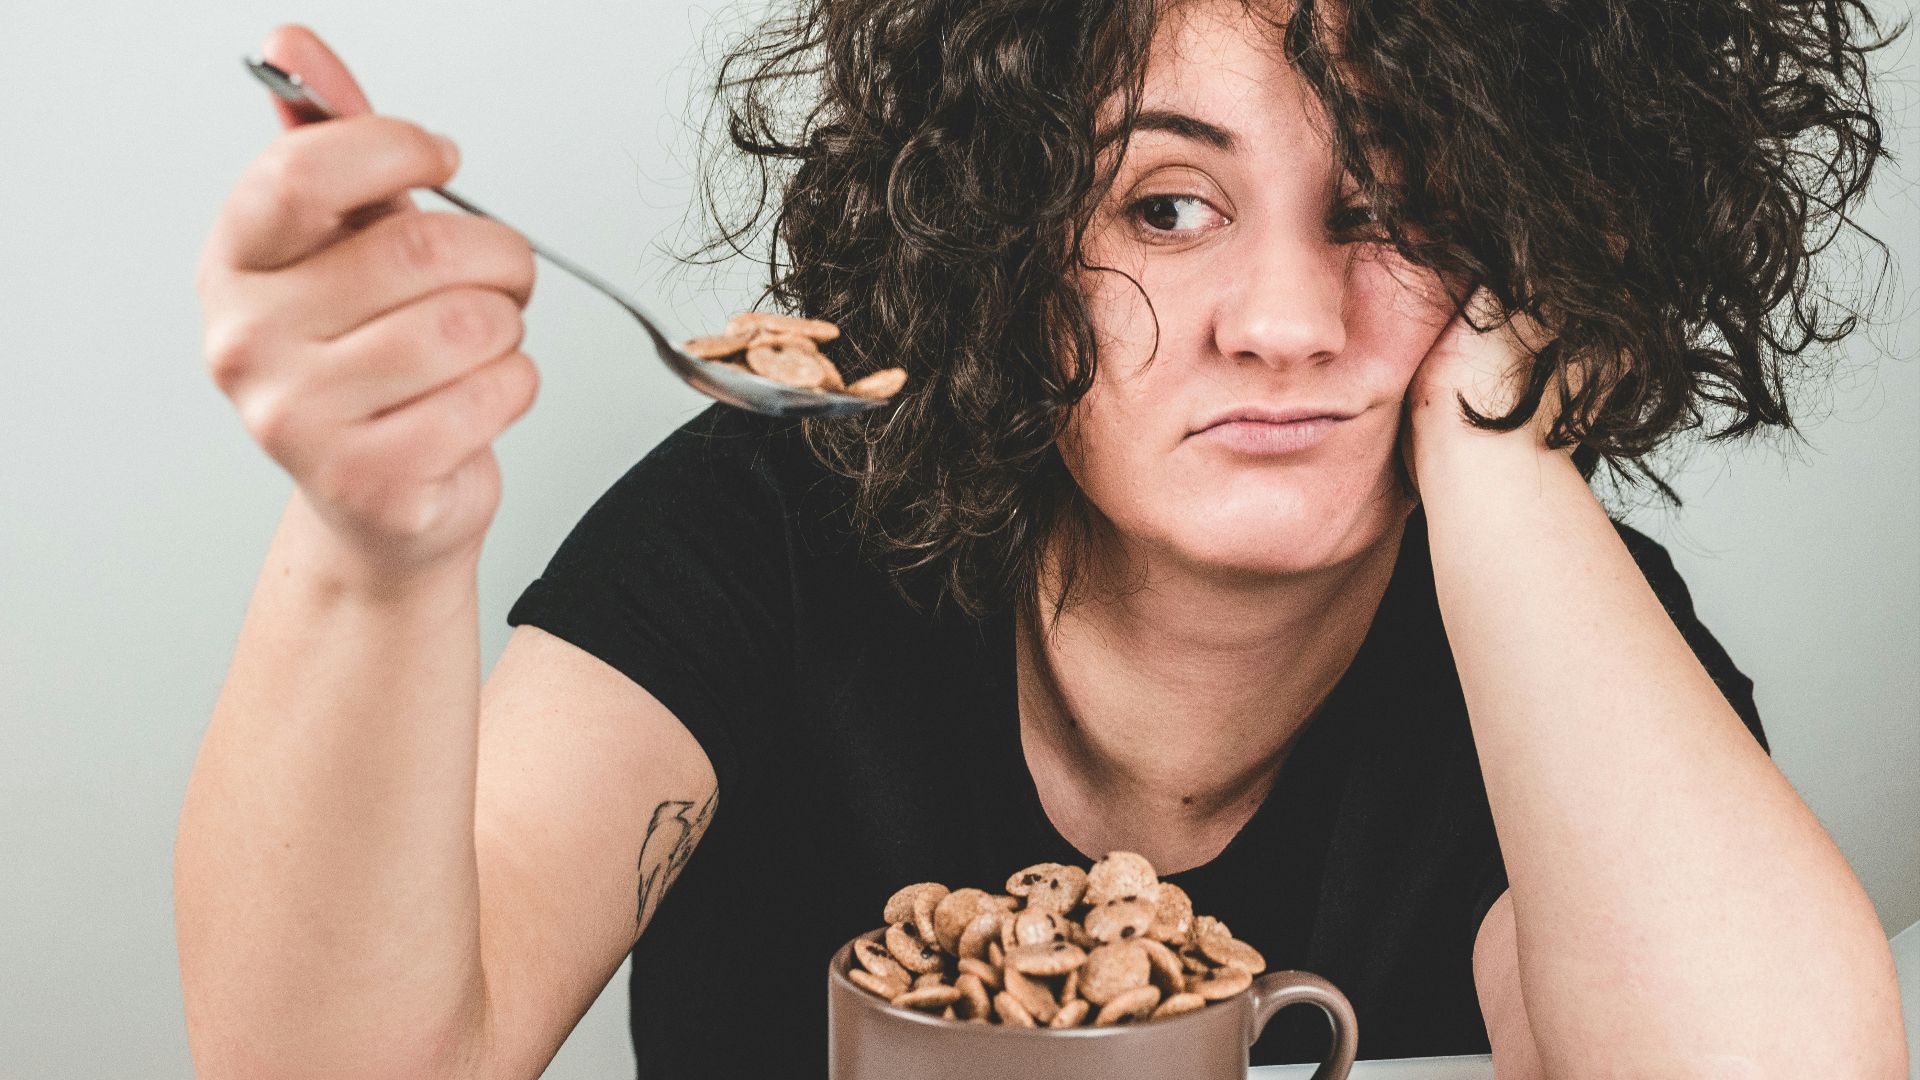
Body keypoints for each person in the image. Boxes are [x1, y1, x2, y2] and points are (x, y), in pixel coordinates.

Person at [175, 0, 1908, 1076]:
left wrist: (1511, 453)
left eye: (1390, 210)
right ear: (1007, 231)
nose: (1287, 320)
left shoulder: (1557, 640)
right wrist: (371, 548)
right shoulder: (768, 530)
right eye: (1167, 205)